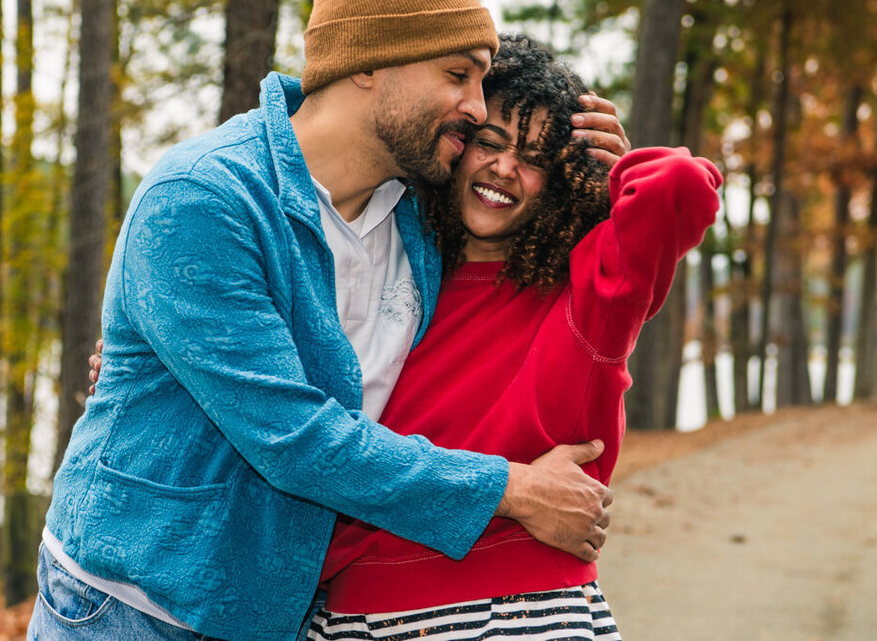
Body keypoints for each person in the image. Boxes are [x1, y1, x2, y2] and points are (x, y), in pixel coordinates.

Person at [30, 0, 628, 641]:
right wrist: (512, 487)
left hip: (287, 615)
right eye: (458, 75)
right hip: (135, 606)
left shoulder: (422, 217)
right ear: (371, 63)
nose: (476, 108)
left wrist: (602, 183)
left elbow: (541, 267)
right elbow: (297, 440)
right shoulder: (205, 197)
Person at [304, 33, 724, 640]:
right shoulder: (398, 273)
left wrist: (620, 161)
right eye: (490, 143)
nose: (504, 168)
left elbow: (682, 187)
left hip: (515, 613)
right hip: (346, 614)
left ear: (561, 180)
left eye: (534, 158)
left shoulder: (589, 293)